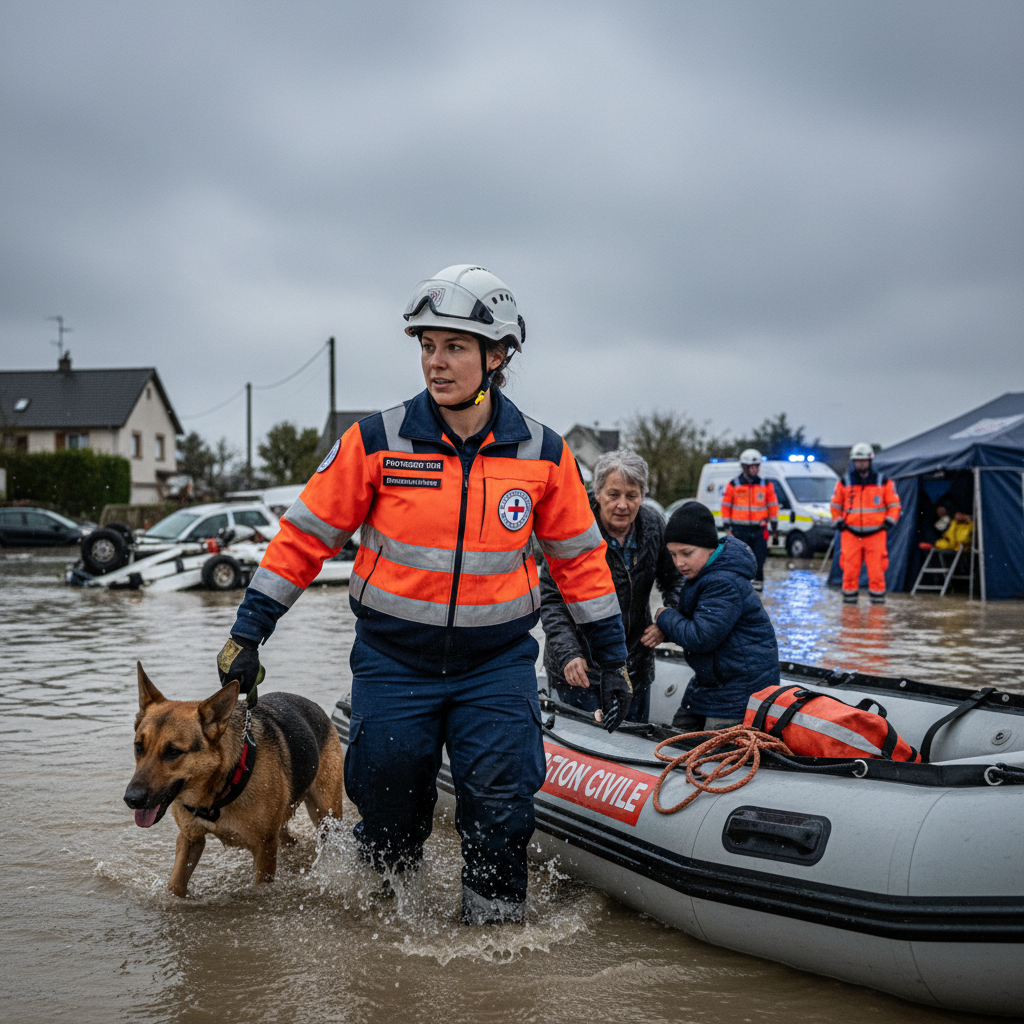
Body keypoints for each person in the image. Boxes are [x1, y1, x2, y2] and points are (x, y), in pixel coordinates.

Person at [214, 265, 630, 926]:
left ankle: (491, 949)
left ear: (498, 356)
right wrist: (249, 630)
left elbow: (580, 561)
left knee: (501, 806)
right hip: (392, 663)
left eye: (455, 347)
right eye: (427, 346)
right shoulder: (376, 442)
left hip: (495, 669)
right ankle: (388, 941)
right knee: (385, 806)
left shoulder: (545, 454)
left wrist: (612, 655)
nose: (436, 363)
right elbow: (303, 539)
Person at [539, 449, 683, 723]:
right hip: (579, 668)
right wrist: (569, 654)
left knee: (634, 744)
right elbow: (552, 600)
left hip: (635, 665)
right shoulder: (574, 527)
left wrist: (668, 621)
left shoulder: (653, 525)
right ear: (597, 492)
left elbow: (676, 578)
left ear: (643, 494)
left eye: (632, 496)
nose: (623, 505)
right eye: (613, 494)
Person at [652, 502, 780, 732]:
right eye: (673, 554)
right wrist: (666, 631)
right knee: (677, 734)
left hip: (739, 689)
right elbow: (702, 626)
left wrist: (665, 616)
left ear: (709, 547)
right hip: (711, 682)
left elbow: (701, 637)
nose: (679, 562)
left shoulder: (723, 582)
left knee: (711, 752)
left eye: (686, 553)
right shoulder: (702, 576)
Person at [831, 442, 901, 605]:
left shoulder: (882, 482)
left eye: (863, 461)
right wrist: (838, 522)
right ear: (853, 462)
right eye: (857, 461)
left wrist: (889, 522)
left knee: (877, 573)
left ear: (870, 461)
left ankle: (877, 618)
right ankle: (849, 618)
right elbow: (835, 505)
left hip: (876, 534)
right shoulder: (844, 482)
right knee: (849, 573)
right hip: (850, 533)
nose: (861, 464)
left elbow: (894, 504)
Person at [720, 448, 778, 591]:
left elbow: (773, 506)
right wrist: (727, 527)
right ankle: (741, 585)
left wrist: (775, 528)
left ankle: (758, 587)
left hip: (759, 528)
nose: (755, 469)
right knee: (740, 559)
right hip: (740, 529)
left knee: (759, 558)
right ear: (744, 467)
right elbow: (726, 506)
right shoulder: (734, 484)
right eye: (752, 466)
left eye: (757, 466)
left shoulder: (766, 485)